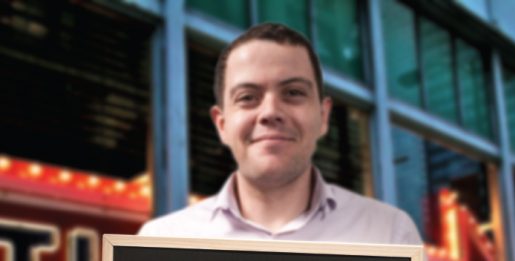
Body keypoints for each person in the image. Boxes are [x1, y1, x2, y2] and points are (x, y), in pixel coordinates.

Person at [139, 23, 422, 245]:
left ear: (323, 116)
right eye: (248, 97)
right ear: (221, 124)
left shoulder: (391, 232)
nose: (270, 111)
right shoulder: (160, 241)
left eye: (293, 93)